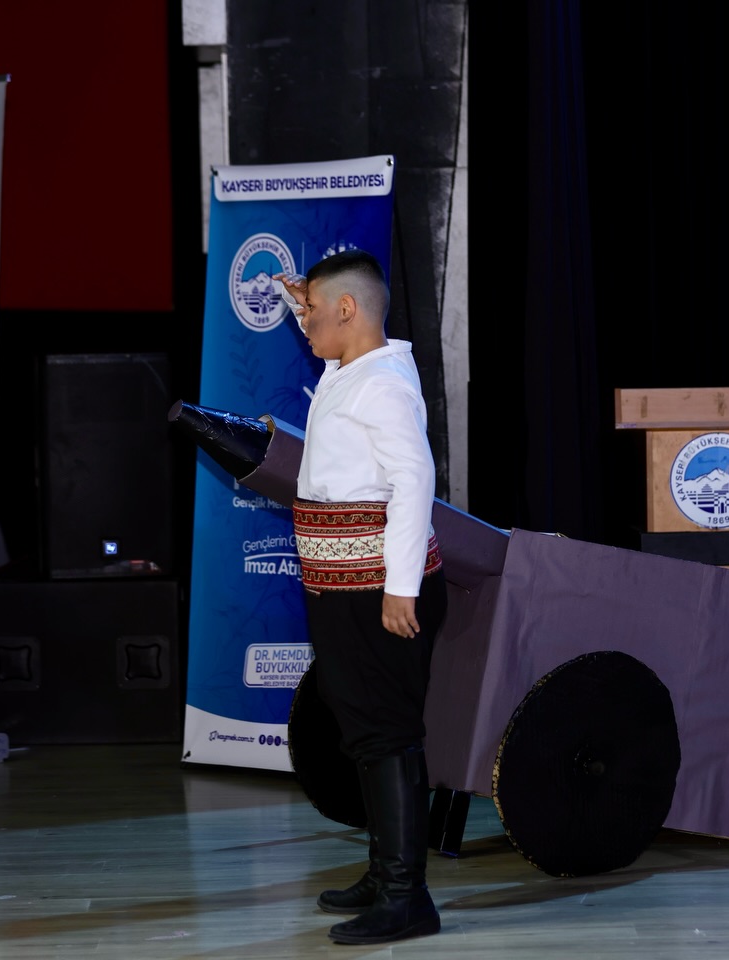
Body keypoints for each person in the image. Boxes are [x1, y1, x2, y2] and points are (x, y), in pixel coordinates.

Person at [276, 249, 446, 945]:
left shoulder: (383, 383)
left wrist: (401, 589)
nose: (304, 323)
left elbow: (415, 479)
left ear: (347, 310)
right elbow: (331, 338)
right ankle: (385, 875)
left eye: (313, 312)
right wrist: (304, 299)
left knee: (386, 733)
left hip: (377, 590)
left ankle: (408, 897)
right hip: (342, 587)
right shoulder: (350, 369)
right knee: (361, 728)